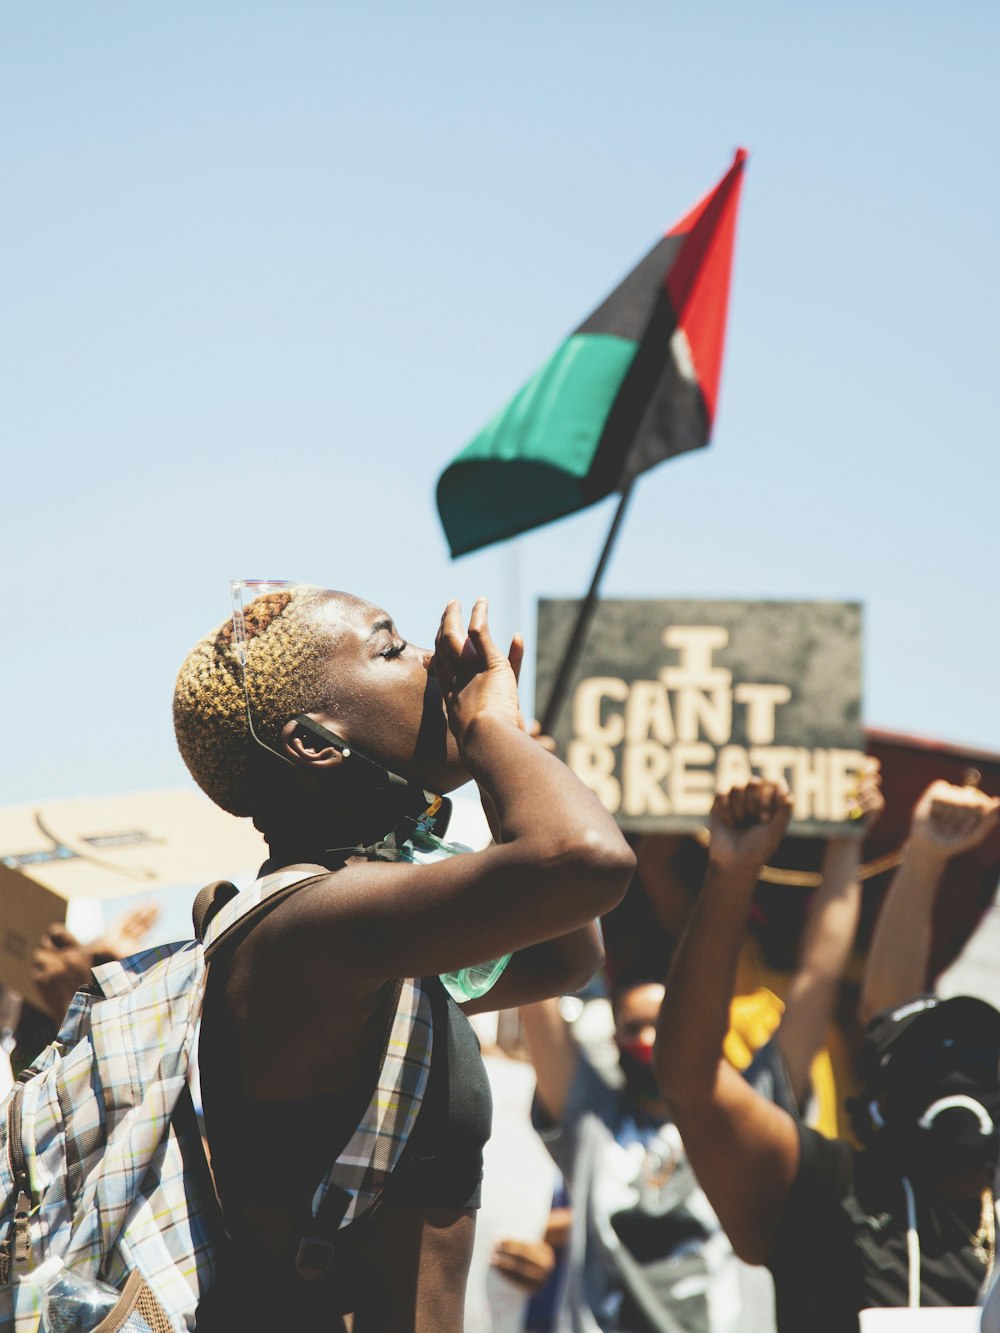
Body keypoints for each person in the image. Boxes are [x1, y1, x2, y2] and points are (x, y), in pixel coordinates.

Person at [172, 588, 635, 1332]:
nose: (429, 661)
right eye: (391, 649)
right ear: (318, 741)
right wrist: (486, 725)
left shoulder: (380, 938)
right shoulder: (311, 927)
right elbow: (587, 860)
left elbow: (567, 949)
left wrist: (504, 752)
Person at [654, 777, 1000, 1331]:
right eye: (934, 1061)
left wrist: (923, 855)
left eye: (985, 1063)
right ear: (881, 1089)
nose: (957, 1074)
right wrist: (731, 873)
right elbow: (691, 1080)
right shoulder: (829, 1195)